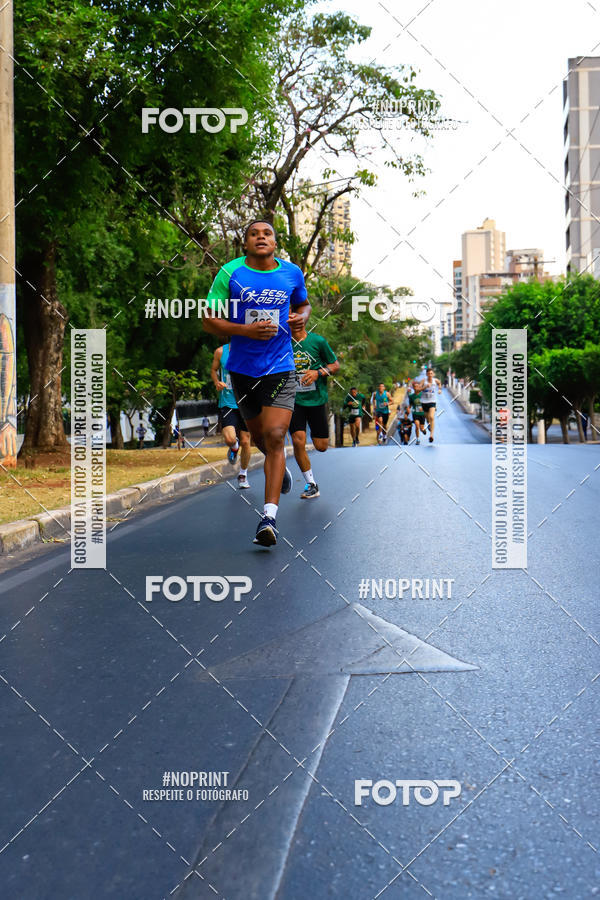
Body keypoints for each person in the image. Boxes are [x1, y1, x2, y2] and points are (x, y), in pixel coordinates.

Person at [203, 219, 310, 546]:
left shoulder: (291, 273)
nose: (261, 237)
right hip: (242, 371)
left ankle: (268, 519)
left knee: (276, 436)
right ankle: (280, 472)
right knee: (261, 437)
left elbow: (303, 303)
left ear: (275, 243)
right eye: (254, 234)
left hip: (280, 367)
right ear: (245, 243)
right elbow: (209, 319)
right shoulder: (230, 274)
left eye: (267, 234)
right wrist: (245, 331)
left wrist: (300, 318)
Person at [289, 320, 339, 498]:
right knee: (298, 440)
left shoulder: (318, 341)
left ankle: (311, 482)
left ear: (304, 320)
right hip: (293, 400)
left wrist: (318, 373)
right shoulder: (283, 342)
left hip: (316, 399)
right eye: (290, 319)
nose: (294, 322)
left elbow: (335, 365)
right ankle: (311, 483)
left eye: (297, 319)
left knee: (321, 446)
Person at [211, 342, 252, 489]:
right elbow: (214, 370)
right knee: (229, 438)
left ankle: (243, 474)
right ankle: (234, 447)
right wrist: (217, 382)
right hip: (228, 402)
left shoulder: (250, 349)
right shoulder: (221, 351)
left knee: (246, 441)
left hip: (246, 404)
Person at [414, 367, 442, 443]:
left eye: (431, 373)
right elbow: (417, 390)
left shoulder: (435, 380)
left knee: (431, 417)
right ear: (426, 374)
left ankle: (431, 436)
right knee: (427, 418)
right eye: (428, 373)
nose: (430, 375)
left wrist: (439, 389)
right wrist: (425, 387)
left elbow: (439, 383)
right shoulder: (424, 381)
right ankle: (428, 423)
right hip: (424, 402)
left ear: (433, 374)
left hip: (432, 401)